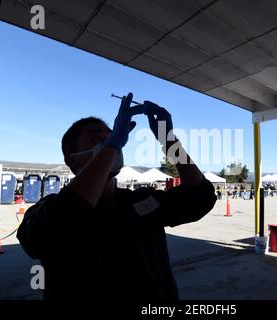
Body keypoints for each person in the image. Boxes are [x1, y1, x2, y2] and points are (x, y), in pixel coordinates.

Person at [17, 93, 217, 300]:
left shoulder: (140, 200)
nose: (113, 145)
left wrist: (170, 142)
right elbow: (55, 226)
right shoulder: (44, 212)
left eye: (112, 137)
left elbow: (199, 197)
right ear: (72, 161)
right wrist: (112, 145)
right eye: (97, 139)